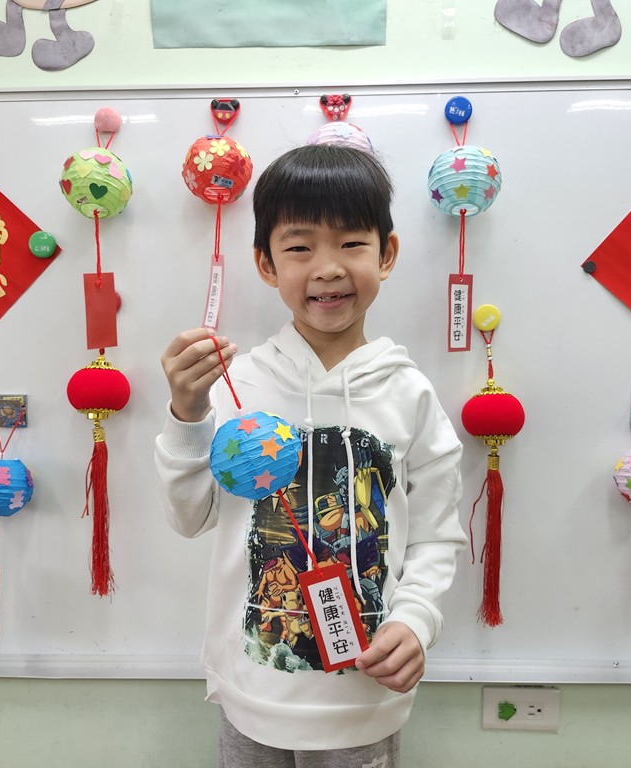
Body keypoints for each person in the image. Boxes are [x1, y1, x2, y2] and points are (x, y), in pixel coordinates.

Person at [155, 143, 466, 766]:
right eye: (299, 247)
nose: (327, 268)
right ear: (265, 263)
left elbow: (437, 534)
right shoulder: (236, 385)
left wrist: (415, 619)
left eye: (351, 243)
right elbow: (190, 518)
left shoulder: (408, 392)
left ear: (388, 253)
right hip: (253, 688)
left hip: (364, 698)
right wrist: (187, 414)